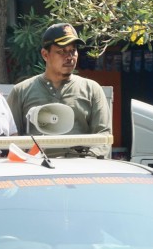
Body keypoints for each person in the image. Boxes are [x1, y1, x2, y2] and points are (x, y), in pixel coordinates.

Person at [8, 22, 111, 155]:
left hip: (79, 169)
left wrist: (89, 160)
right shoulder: (21, 91)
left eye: (73, 50)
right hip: (36, 170)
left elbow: (103, 137)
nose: (69, 57)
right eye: (61, 51)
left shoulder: (92, 89)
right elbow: (11, 138)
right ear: (45, 55)